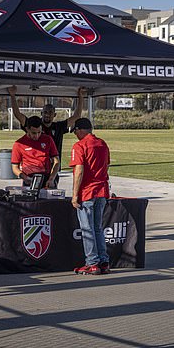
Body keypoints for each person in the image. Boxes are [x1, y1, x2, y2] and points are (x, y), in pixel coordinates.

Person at [8, 86, 86, 186]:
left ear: (54, 115)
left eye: (50, 112)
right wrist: (12, 96)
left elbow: (76, 116)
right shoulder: (34, 124)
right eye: (45, 112)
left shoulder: (58, 128)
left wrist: (81, 97)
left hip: (52, 170)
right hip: (31, 173)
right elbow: (18, 114)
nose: (47, 115)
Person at [69, 118, 111, 276]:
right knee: (98, 228)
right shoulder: (102, 143)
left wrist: (74, 195)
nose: (75, 135)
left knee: (87, 229)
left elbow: (79, 171)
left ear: (79, 130)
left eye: (75, 132)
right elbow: (106, 165)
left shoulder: (80, 146)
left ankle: (92, 262)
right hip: (102, 190)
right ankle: (103, 261)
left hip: (87, 192)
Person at [11, 115, 60, 188]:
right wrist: (25, 178)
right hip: (29, 177)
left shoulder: (48, 139)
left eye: (39, 132)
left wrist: (52, 178)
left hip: (46, 177)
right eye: (33, 133)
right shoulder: (19, 144)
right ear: (27, 129)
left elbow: (56, 161)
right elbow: (15, 168)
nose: (37, 136)